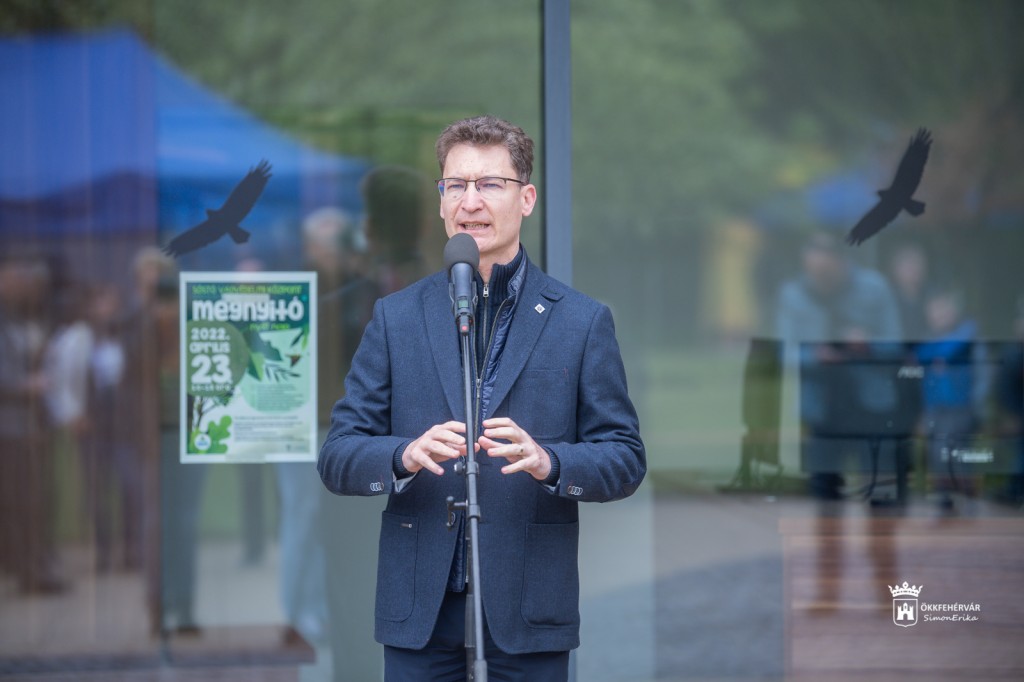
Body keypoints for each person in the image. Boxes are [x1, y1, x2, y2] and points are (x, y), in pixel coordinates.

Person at [318, 115, 646, 681]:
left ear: (527, 199)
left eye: (490, 183)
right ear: (441, 202)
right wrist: (401, 455)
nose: (470, 201)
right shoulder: (396, 317)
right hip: (420, 607)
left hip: (529, 603)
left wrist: (550, 462)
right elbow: (338, 454)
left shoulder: (582, 321)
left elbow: (624, 458)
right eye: (456, 185)